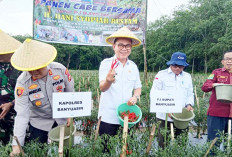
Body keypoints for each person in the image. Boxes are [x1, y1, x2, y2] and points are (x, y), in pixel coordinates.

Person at [10, 39, 74, 156]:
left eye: (38, 67)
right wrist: (16, 145)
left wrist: (70, 114)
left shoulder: (60, 70)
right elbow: (22, 115)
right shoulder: (22, 82)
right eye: (29, 68)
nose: (33, 71)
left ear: (45, 62)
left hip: (63, 120)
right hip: (39, 122)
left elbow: (70, 93)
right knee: (38, 151)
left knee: (66, 151)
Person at [98, 26, 142, 150]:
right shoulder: (106, 64)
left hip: (128, 116)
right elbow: (102, 88)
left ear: (131, 48)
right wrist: (108, 80)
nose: (124, 48)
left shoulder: (133, 66)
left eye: (127, 46)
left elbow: (138, 88)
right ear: (114, 46)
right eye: (120, 45)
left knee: (127, 150)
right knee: (106, 150)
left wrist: (135, 97)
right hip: (109, 116)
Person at [150, 52, 194, 148]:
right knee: (163, 143)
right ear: (170, 64)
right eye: (175, 65)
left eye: (181, 66)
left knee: (181, 143)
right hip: (163, 117)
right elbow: (155, 94)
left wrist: (189, 104)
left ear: (184, 66)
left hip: (181, 116)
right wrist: (166, 109)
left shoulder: (187, 77)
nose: (177, 68)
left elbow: (190, 93)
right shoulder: (161, 75)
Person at [202, 50, 232, 148]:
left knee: (230, 144)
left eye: (231, 59)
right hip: (217, 114)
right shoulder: (216, 73)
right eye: (227, 59)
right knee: (213, 143)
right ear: (222, 61)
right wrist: (214, 84)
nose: (229, 61)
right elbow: (205, 87)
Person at [0, 30, 22, 145]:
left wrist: (11, 104)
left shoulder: (21, 68)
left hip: (16, 113)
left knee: (16, 143)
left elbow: (27, 92)